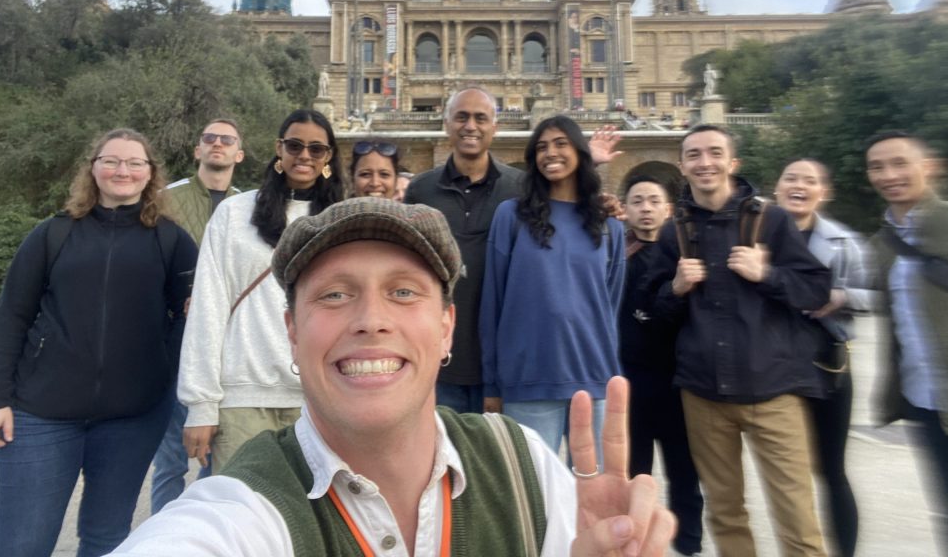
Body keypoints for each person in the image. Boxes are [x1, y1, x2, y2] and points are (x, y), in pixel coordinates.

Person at [110, 198, 676, 556]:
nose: (371, 320)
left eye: (404, 292)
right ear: (291, 331)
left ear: (448, 327)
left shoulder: (525, 466)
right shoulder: (242, 509)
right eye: (335, 294)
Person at [0, 128, 198, 557]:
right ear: (92, 168)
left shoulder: (172, 241)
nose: (122, 170)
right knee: (22, 545)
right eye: (111, 160)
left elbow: (192, 316)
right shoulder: (51, 235)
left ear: (150, 174)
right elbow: (10, 317)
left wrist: (162, 368)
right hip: (41, 415)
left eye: (135, 162)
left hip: (133, 418)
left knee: (107, 541)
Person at [643, 124, 831, 557]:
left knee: (797, 518)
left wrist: (767, 275)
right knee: (726, 513)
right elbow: (653, 311)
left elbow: (817, 290)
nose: (704, 162)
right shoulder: (675, 232)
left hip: (774, 392)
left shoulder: (772, 219)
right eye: (694, 154)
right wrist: (675, 287)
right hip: (704, 394)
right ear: (682, 166)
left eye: (714, 153)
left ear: (733, 163)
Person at [179, 109, 345, 472]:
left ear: (329, 157)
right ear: (278, 149)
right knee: (241, 514)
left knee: (314, 519)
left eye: (316, 149)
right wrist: (201, 405)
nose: (304, 155)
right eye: (295, 145)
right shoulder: (233, 214)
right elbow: (210, 306)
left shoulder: (342, 220)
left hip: (321, 398)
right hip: (243, 396)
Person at [865, 131, 948, 557]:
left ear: (929, 166)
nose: (888, 175)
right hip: (926, 400)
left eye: (900, 163)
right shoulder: (883, 242)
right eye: (878, 167)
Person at [480, 114, 626, 457]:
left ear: (579, 152)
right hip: (528, 379)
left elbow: (610, 307)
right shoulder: (511, 216)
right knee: (533, 499)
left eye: (561, 144)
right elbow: (493, 303)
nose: (550, 153)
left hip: (593, 379)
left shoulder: (610, 227)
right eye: (542, 147)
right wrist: (492, 382)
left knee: (595, 499)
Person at [774, 158, 875, 557]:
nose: (799, 186)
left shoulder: (844, 241)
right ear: (778, 187)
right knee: (787, 474)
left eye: (809, 180)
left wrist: (843, 297)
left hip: (827, 364)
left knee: (832, 469)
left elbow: (878, 294)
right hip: (773, 366)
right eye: (791, 178)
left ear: (824, 192)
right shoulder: (754, 234)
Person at [405, 86, 524, 413]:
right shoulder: (421, 189)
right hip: (440, 362)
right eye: (461, 117)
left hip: (504, 363)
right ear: (447, 125)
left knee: (497, 460)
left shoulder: (520, 188)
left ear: (494, 128)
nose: (470, 126)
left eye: (480, 118)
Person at [150, 119, 245, 514]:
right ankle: (164, 534)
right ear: (197, 150)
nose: (217, 144)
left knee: (216, 456)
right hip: (176, 337)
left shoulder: (248, 205)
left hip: (228, 344)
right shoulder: (166, 200)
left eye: (226, 140)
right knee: (170, 455)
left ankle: (204, 532)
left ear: (239, 154)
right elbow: (149, 262)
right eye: (209, 138)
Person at [620, 175, 704, 557]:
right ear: (625, 209)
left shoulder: (682, 255)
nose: (646, 208)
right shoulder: (617, 255)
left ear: (668, 209)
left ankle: (688, 545)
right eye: (637, 201)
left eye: (654, 201)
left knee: (684, 472)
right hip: (630, 377)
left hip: (676, 380)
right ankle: (633, 544)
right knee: (636, 474)